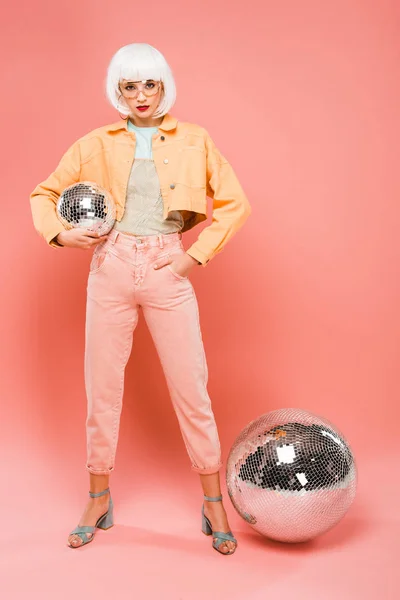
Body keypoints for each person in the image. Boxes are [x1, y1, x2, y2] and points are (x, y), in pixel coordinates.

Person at [29, 42, 251, 555]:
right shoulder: (95, 142)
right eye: (129, 86)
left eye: (149, 84)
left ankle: (213, 500)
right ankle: (98, 496)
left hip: (166, 265)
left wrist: (192, 259)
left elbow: (236, 204)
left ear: (164, 86)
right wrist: (61, 236)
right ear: (118, 92)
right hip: (110, 266)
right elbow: (44, 194)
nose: (141, 95)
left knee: (191, 386)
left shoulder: (195, 139)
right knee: (101, 388)